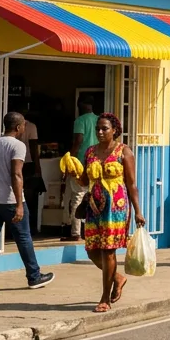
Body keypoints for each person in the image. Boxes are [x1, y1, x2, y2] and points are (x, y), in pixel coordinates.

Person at [0, 112, 55, 297]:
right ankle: (34, 276)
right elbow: (17, 175)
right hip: (11, 201)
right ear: (19, 128)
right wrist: (19, 204)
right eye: (23, 127)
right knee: (24, 239)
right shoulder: (18, 145)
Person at [79, 113, 144, 313]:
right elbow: (83, 181)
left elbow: (132, 184)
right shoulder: (90, 152)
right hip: (94, 206)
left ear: (114, 130)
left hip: (116, 207)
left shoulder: (124, 151)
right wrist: (72, 173)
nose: (99, 132)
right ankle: (118, 278)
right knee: (91, 250)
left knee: (108, 251)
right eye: (98, 128)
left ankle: (105, 298)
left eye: (104, 128)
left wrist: (138, 211)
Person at [63, 97, 97, 240]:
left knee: (77, 197)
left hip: (81, 164)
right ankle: (90, 230)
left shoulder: (80, 121)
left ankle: (75, 233)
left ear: (80, 107)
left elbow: (78, 141)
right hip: (96, 164)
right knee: (93, 197)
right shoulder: (100, 120)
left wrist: (70, 161)